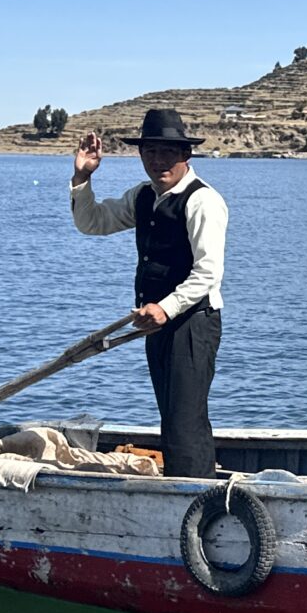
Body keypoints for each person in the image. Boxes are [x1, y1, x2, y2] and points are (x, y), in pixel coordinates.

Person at [69, 108, 228, 477]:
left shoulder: (203, 201)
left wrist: (166, 308)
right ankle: (187, 490)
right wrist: (82, 177)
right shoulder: (143, 196)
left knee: (184, 421)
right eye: (150, 152)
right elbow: (93, 222)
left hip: (193, 323)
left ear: (185, 155)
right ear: (140, 156)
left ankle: (195, 500)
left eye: (167, 152)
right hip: (157, 324)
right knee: (172, 416)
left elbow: (207, 273)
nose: (158, 161)